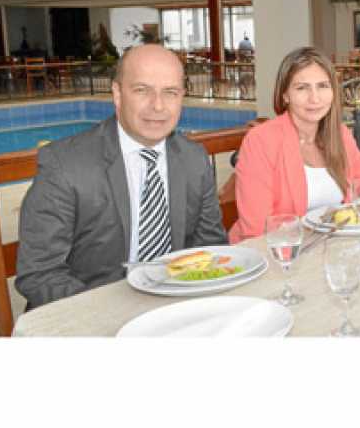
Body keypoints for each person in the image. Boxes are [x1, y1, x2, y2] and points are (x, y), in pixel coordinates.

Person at [16, 44, 228, 310]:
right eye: (142, 90)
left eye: (170, 93)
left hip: (171, 307)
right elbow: (39, 274)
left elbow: (210, 248)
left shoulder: (194, 159)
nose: (158, 106)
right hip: (87, 317)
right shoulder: (64, 164)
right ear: (117, 94)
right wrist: (113, 316)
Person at [228, 46, 360, 244]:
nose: (314, 98)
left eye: (323, 86)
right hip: (278, 253)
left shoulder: (339, 134)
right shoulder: (261, 141)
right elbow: (256, 227)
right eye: (302, 88)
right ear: (285, 95)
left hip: (332, 247)